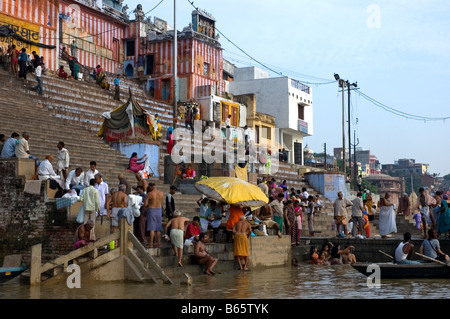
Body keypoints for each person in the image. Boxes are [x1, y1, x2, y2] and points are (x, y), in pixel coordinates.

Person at [144, 183, 164, 248]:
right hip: (159, 210)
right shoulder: (161, 193)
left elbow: (145, 204)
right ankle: (159, 244)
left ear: (151, 187)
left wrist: (146, 206)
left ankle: (151, 244)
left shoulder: (150, 194)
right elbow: (161, 202)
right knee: (158, 228)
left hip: (151, 210)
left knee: (151, 228)